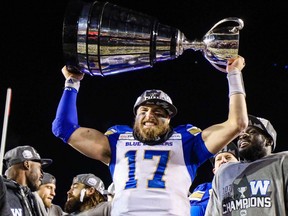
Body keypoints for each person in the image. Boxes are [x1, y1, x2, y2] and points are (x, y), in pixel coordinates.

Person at [52, 56, 248, 215]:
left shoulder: (187, 141)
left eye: (159, 112)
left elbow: (237, 124)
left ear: (169, 119)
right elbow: (63, 128)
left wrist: (234, 74)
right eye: (144, 110)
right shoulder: (117, 140)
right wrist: (72, 82)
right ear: (135, 115)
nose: (150, 116)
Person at [205, 114, 288, 215]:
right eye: (240, 134)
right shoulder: (224, 172)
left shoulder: (282, 162)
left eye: (252, 132)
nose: (243, 136)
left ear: (269, 141)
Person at [189, 142, 240, 216]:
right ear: (214, 170)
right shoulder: (203, 190)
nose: (223, 161)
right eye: (219, 159)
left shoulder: (251, 185)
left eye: (228, 157)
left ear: (239, 164)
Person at [0, 145, 53, 216]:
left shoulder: (31, 198)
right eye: (40, 168)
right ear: (27, 164)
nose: (42, 174)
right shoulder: (2, 190)